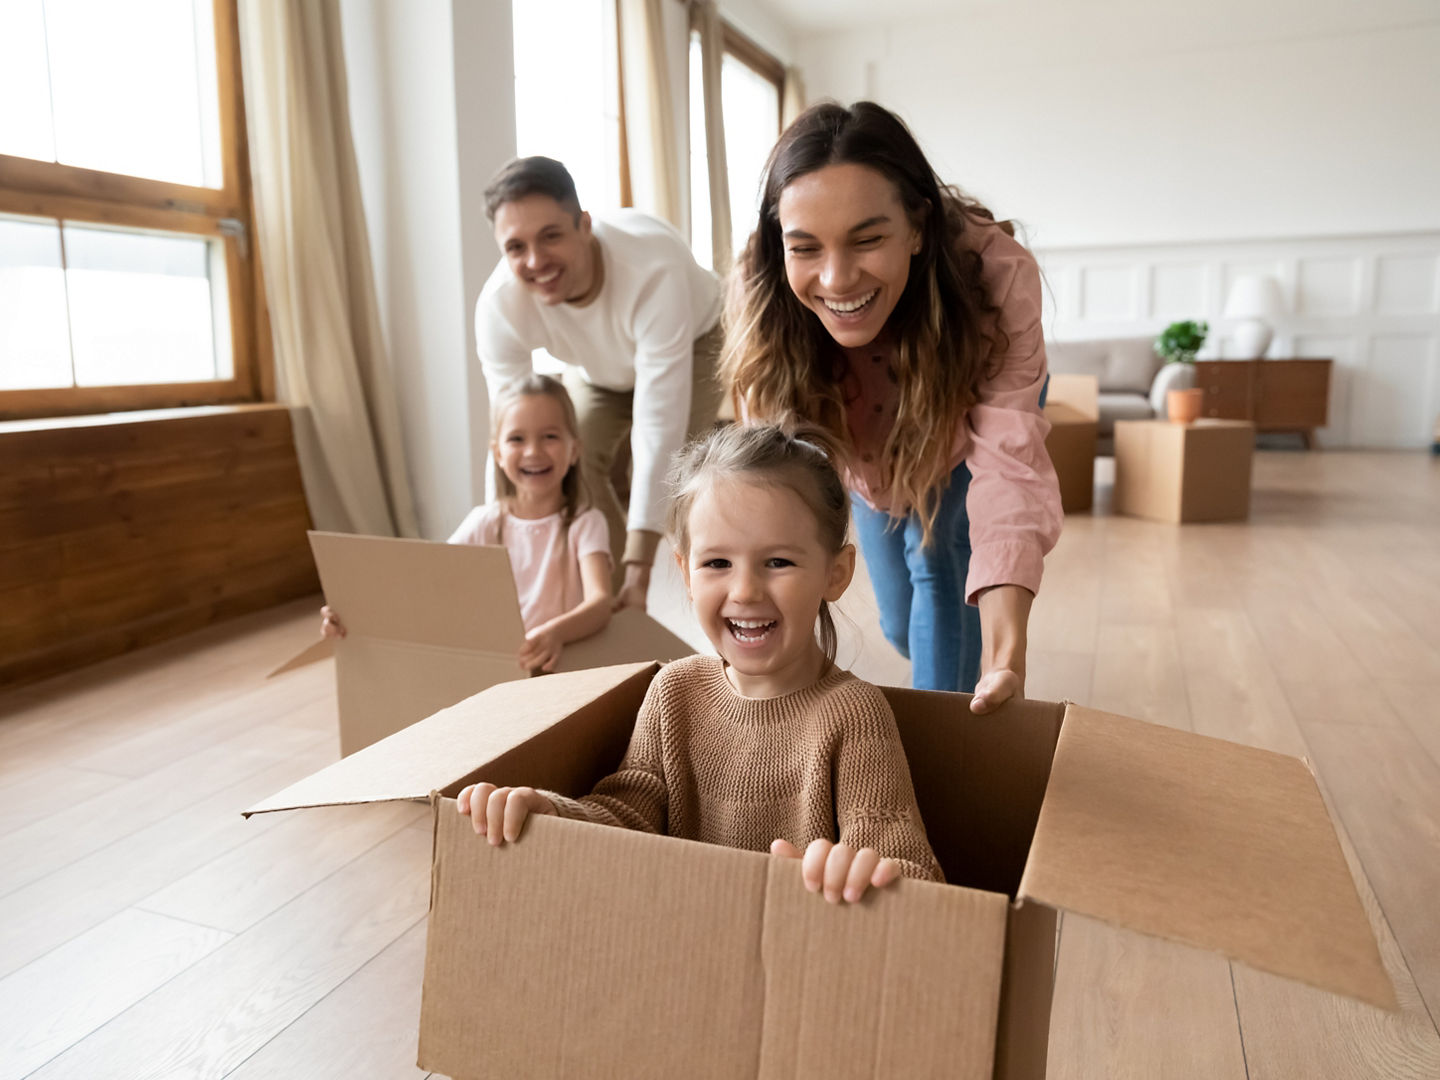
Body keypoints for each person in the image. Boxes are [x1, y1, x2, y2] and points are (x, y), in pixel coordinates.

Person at [455, 423, 944, 904]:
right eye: (717, 563)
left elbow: (916, 874)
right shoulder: (674, 692)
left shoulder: (855, 715)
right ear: (686, 572)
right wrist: (553, 814)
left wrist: (860, 876)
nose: (745, 591)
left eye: (778, 562)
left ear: (834, 575)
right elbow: (629, 814)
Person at [721, 101, 1062, 706]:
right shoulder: (763, 280)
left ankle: (947, 743)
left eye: (868, 239)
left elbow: (1010, 468)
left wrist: (1006, 657)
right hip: (865, 459)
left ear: (918, 228)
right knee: (902, 626)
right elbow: (765, 470)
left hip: (959, 437)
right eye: (806, 249)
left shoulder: (997, 276)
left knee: (937, 567)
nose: (837, 279)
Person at [475, 156, 723, 613]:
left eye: (551, 236)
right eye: (515, 247)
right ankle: (602, 602)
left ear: (584, 225)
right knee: (568, 456)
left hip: (695, 339)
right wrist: (497, 553)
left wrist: (640, 568)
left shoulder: (652, 268)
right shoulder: (498, 308)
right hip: (597, 367)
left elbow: (658, 425)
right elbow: (509, 437)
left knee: (676, 477)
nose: (535, 261)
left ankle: (665, 591)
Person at [322, 375, 611, 673]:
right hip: (494, 669)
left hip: (562, 671)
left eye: (549, 436)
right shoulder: (484, 522)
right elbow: (425, 580)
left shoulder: (585, 523)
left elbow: (600, 602)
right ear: (498, 453)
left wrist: (555, 634)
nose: (532, 451)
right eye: (517, 439)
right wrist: (354, 613)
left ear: (574, 449)